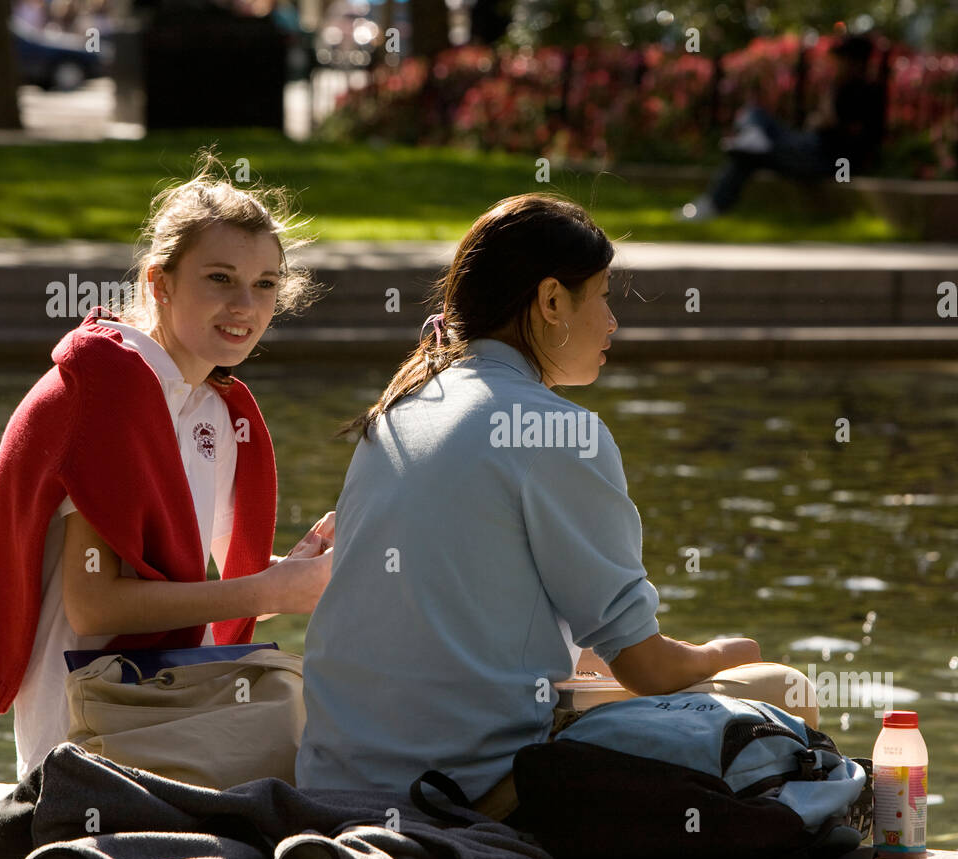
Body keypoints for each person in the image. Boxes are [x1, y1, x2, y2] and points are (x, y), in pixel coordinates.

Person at [296, 193, 821, 819]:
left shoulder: (402, 410)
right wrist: (725, 652)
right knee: (782, 689)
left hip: (332, 781)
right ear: (551, 301)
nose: (613, 322)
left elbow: (475, 629)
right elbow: (648, 668)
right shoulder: (555, 431)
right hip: (461, 797)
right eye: (601, 295)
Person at [0, 153, 335, 780]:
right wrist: (269, 591)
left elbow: (186, 588)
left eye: (266, 284)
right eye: (219, 278)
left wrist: (294, 577)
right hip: (86, 743)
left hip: (160, 711)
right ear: (159, 282)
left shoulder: (212, 404)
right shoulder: (109, 393)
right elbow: (96, 606)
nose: (246, 305)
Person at [679, 34, 886, 223]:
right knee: (754, 113)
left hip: (826, 159)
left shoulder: (868, 93)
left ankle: (714, 203)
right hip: (807, 145)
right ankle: (752, 138)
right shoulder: (839, 87)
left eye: (840, 59)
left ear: (855, 62)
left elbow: (852, 138)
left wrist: (828, 117)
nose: (836, 65)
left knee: (746, 154)